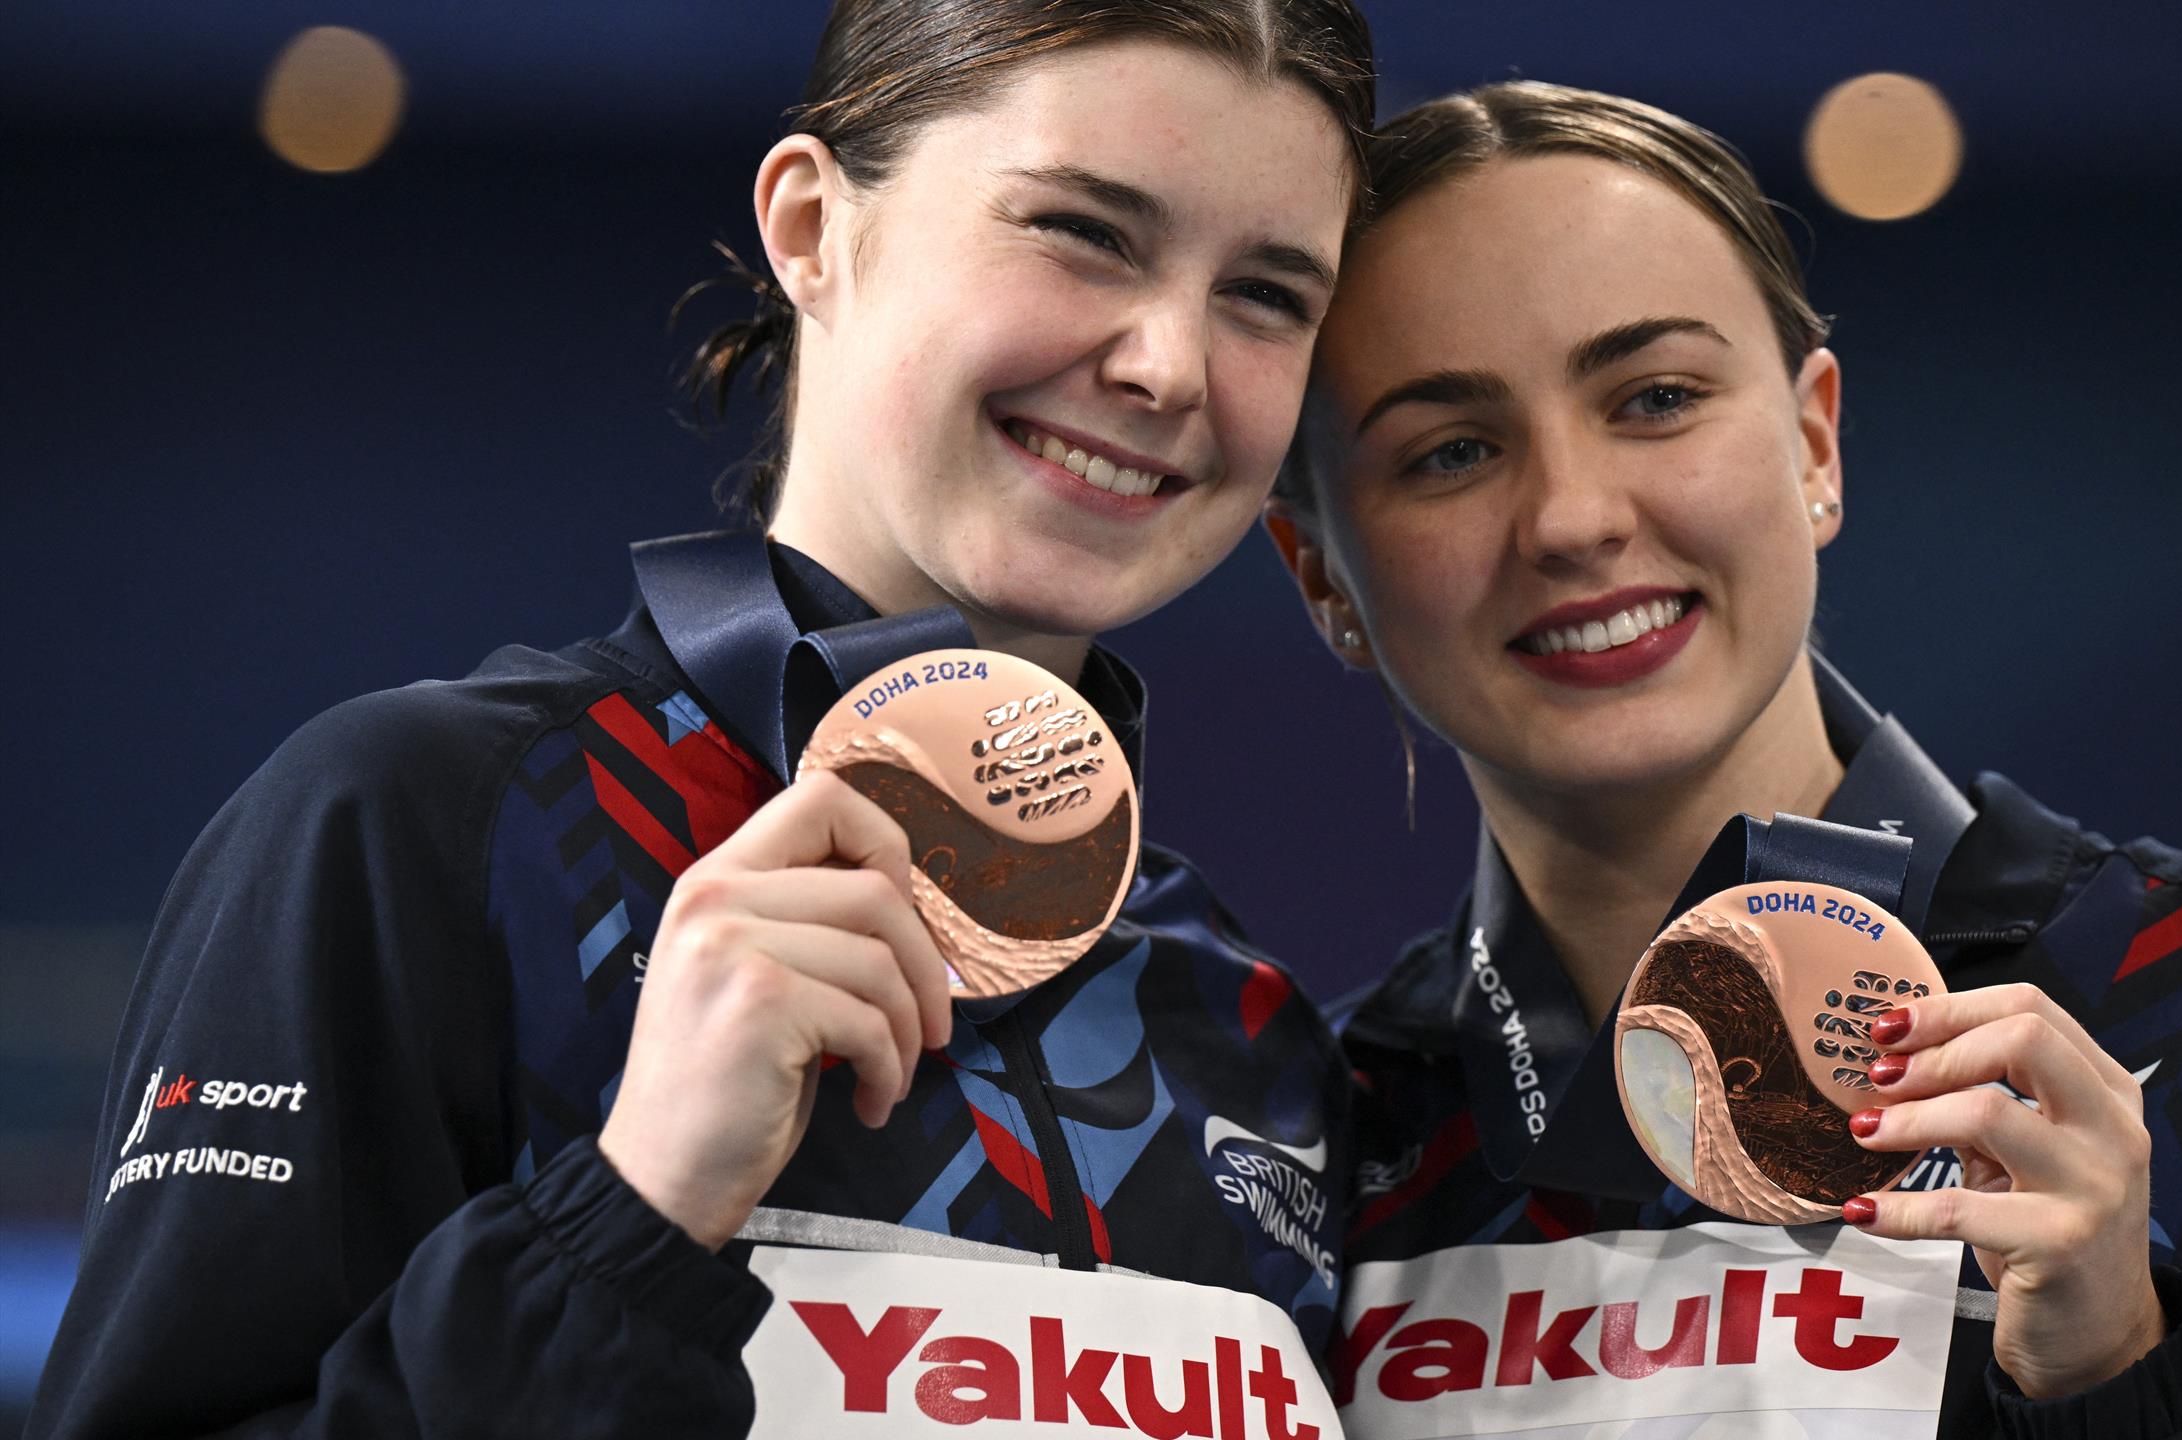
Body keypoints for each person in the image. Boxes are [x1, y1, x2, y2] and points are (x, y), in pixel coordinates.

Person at [31, 2, 1374, 1434]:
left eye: (1266, 295)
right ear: (811, 227)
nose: (1171, 365)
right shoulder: (428, 827)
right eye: (1084, 232)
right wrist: (637, 1211)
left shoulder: (1249, 1027)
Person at [1266, 81, 2182, 1437]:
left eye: (1656, 398)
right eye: (1451, 452)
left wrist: (2119, 1369)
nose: (1572, 518)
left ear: (1814, 441)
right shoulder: (1311, 1144)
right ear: (1323, 576)